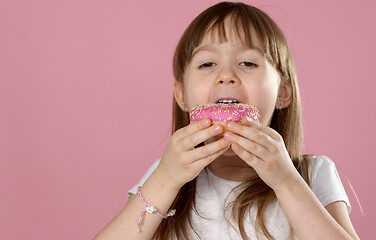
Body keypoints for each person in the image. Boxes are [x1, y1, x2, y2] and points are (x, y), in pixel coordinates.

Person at [94, 2, 359, 240]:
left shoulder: (312, 175)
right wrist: (165, 178)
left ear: (283, 92)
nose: (226, 75)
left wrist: (285, 181)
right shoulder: (165, 174)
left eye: (248, 62)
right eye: (208, 64)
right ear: (182, 96)